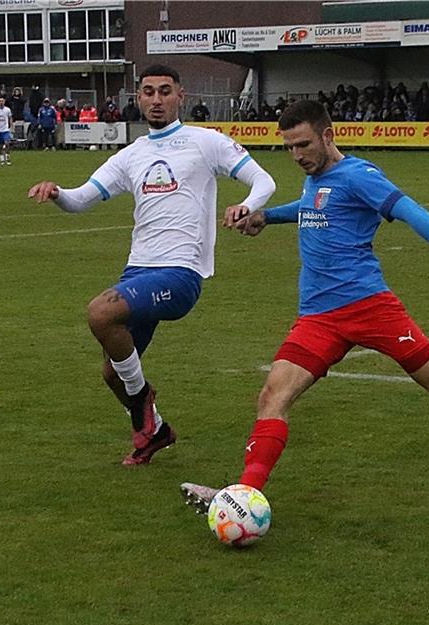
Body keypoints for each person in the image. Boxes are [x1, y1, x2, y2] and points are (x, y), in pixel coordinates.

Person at [179, 99, 429, 514]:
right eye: (289, 147)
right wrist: (267, 217)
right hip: (319, 317)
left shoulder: (359, 175)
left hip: (369, 307)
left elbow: (409, 210)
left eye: (303, 144)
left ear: (328, 135)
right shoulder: (316, 177)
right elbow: (314, 209)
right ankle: (243, 495)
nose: (297, 155)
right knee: (273, 395)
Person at [27, 64, 276, 465]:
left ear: (181, 96)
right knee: (113, 374)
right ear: (138, 98)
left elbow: (263, 180)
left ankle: (143, 401)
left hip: (181, 274)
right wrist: (57, 192)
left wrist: (248, 204)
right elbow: (82, 199)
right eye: (148, 92)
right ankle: (155, 431)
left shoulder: (205, 142)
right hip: (138, 270)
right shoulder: (132, 155)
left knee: (100, 312)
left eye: (165, 91)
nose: (156, 100)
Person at [0, 96, 13, 166]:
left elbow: (10, 118)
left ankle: (7, 157)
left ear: (4, 102)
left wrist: (11, 126)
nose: (1, 102)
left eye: (2, 101)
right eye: (0, 101)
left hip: (5, 129)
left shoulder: (7, 110)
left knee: (7, 143)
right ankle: (2, 159)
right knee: (0, 145)